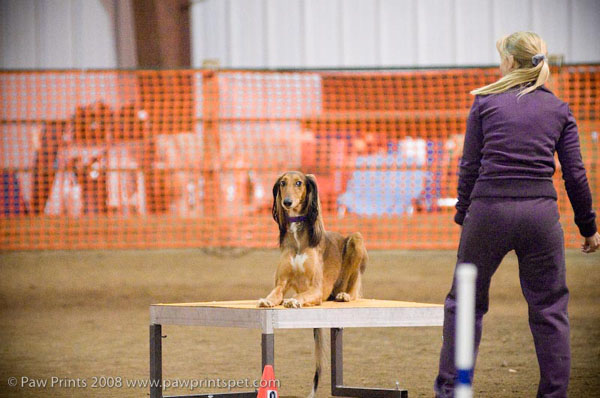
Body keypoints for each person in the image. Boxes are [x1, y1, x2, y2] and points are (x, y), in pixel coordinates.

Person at [434, 31, 600, 398]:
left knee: (465, 304)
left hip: (489, 212)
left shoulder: (485, 103)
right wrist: (588, 227)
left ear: (509, 62)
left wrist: (464, 213)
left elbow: (469, 166)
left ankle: (450, 392)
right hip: (540, 217)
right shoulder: (559, 109)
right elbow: (575, 173)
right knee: (550, 309)